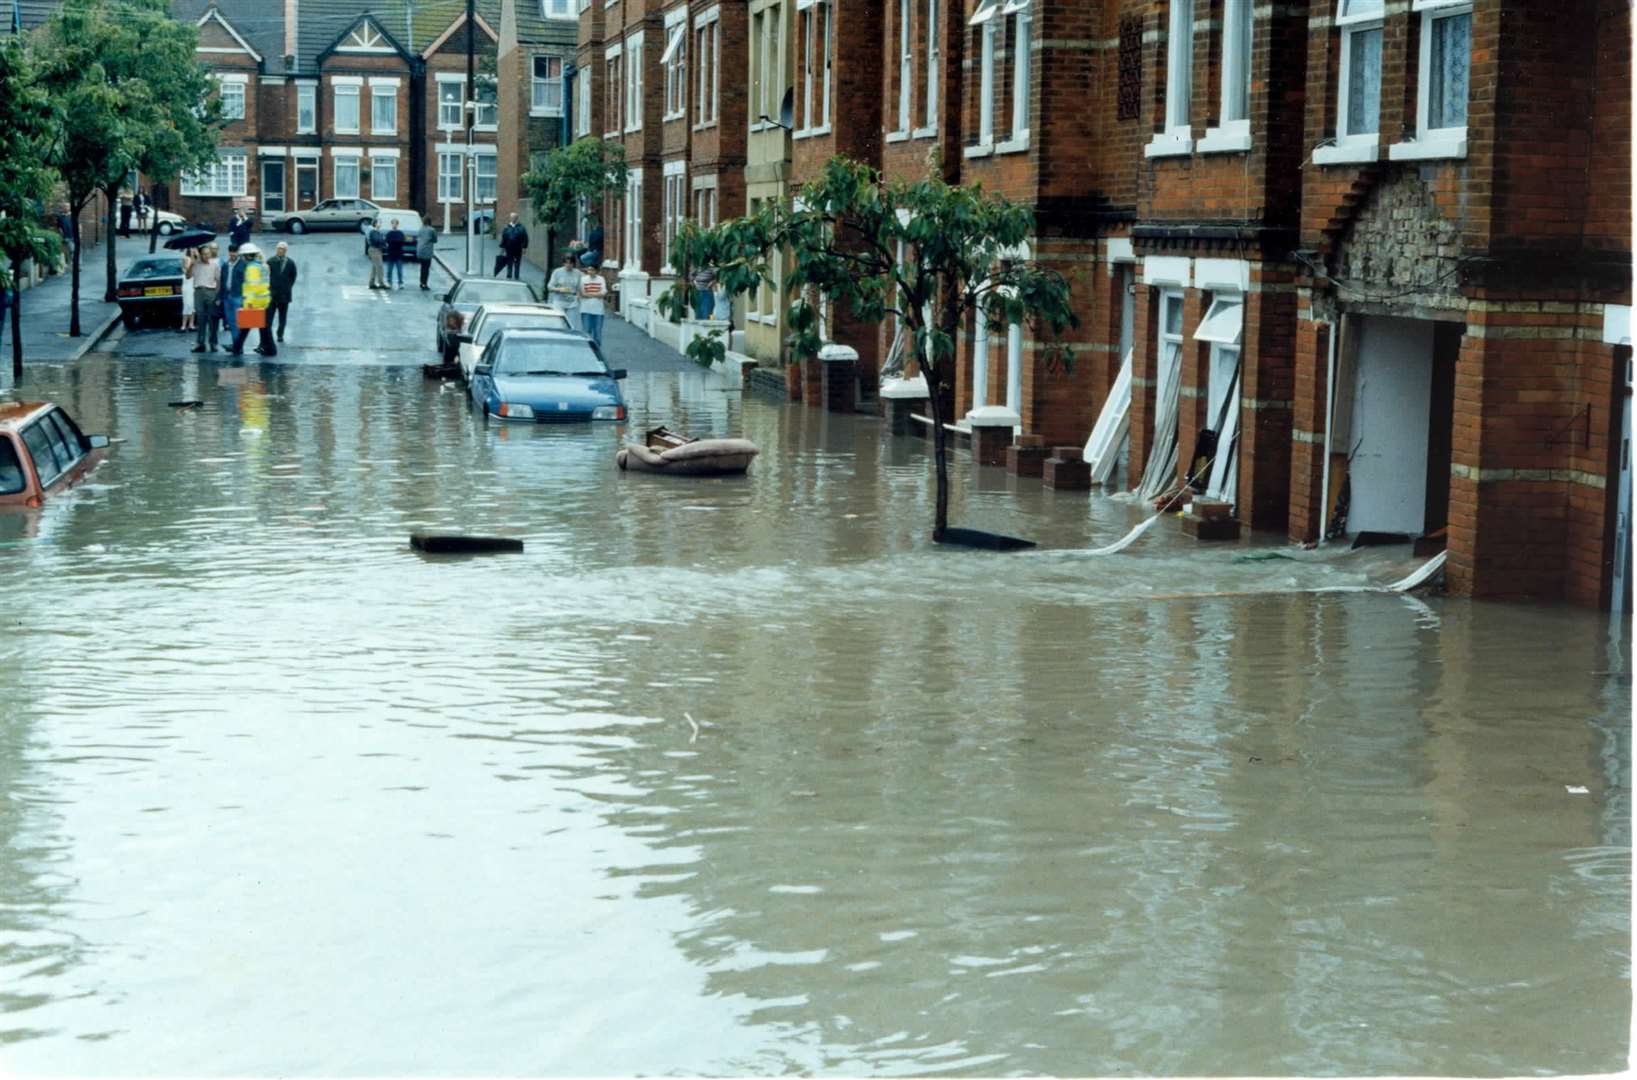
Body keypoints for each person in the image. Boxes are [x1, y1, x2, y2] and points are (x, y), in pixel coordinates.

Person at [227, 243, 274, 357]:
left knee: (246, 327)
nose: (242, 258)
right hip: (265, 301)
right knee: (263, 327)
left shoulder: (251, 268)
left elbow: (253, 287)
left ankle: (237, 347)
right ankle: (269, 349)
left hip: (254, 303)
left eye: (243, 256)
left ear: (247, 256)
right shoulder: (261, 266)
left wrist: (249, 303)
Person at [190, 243, 221, 353]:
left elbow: (218, 281)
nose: (206, 256)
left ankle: (213, 343)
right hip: (198, 292)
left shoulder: (215, 264)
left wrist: (217, 296)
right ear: (200, 254)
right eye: (204, 254)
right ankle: (200, 343)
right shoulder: (195, 264)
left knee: (212, 319)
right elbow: (188, 276)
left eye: (208, 254)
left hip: (211, 291)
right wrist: (191, 264)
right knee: (201, 319)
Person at [266, 241, 298, 343]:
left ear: (286, 251)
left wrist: (287, 287)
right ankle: (268, 335)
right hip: (272, 294)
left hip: (284, 295)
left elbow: (293, 277)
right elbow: (266, 276)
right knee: (269, 317)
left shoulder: (290, 263)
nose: (280, 250)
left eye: (283, 249)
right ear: (276, 249)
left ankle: (280, 334)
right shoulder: (270, 261)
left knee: (282, 317)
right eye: (279, 248)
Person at [547, 253, 582, 332]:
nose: (568, 265)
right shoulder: (557, 272)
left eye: (570, 263)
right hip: (559, 300)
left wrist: (578, 296)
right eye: (566, 263)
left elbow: (579, 288)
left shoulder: (577, 273)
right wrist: (559, 289)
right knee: (559, 323)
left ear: (573, 264)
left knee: (571, 325)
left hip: (572, 302)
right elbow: (549, 287)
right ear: (563, 263)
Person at [579, 263, 607, 348]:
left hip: (598, 310)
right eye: (589, 270)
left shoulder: (601, 279)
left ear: (596, 271)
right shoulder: (583, 279)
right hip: (586, 309)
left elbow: (603, 293)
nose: (590, 272)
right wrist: (596, 295)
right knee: (586, 331)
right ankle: (586, 349)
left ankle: (597, 350)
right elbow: (582, 293)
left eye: (592, 270)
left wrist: (589, 295)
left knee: (597, 332)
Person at [219, 243, 241, 343]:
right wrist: (220, 297)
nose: (233, 254)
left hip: (238, 296)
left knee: (238, 321)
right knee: (231, 321)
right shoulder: (225, 265)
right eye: (231, 252)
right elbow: (222, 281)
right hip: (227, 296)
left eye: (235, 252)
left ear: (238, 252)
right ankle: (235, 342)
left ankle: (237, 344)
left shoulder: (243, 265)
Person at [500, 213, 529, 280]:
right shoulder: (507, 227)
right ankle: (509, 275)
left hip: (518, 248)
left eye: (514, 217)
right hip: (509, 248)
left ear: (517, 218)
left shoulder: (521, 227)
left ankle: (516, 276)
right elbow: (504, 238)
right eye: (512, 217)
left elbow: (525, 238)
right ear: (510, 218)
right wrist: (502, 248)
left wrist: (524, 247)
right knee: (509, 262)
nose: (513, 219)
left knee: (517, 262)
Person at [385, 218, 406, 290]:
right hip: (391, 254)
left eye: (395, 223)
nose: (394, 225)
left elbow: (402, 242)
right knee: (389, 270)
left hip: (398, 254)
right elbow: (387, 242)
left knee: (399, 270)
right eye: (393, 223)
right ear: (391, 224)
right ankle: (389, 282)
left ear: (397, 224)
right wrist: (396, 242)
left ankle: (400, 283)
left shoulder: (400, 233)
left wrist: (393, 242)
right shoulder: (389, 233)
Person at [179, 248, 196, 334]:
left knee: (192, 305)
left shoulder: (194, 260)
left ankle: (191, 324)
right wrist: (191, 263)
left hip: (193, 286)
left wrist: (195, 254)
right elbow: (187, 274)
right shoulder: (185, 259)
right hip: (187, 286)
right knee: (187, 305)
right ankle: (183, 325)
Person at [416, 220, 438, 289]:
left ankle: (421, 282)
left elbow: (419, 238)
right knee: (426, 268)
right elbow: (435, 240)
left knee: (422, 267)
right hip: (427, 251)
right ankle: (424, 284)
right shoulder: (432, 230)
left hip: (419, 250)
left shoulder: (420, 229)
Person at [365, 221, 386, 289]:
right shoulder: (374, 232)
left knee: (374, 267)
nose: (380, 224)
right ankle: (381, 283)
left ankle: (372, 283)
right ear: (375, 224)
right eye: (379, 223)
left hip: (376, 250)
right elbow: (377, 240)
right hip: (374, 250)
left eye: (380, 223)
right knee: (379, 267)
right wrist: (383, 241)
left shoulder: (377, 232)